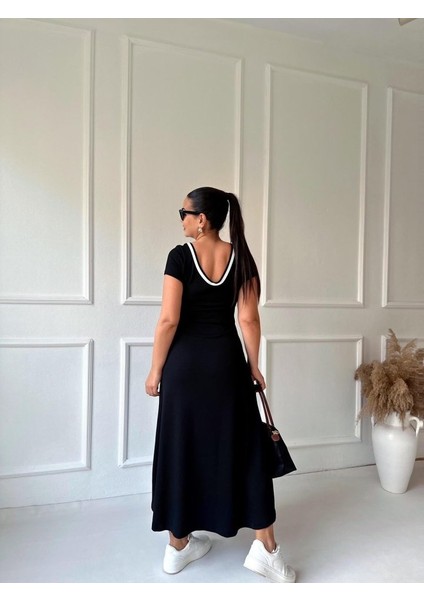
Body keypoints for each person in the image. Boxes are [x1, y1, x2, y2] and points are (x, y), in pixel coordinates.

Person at [145, 187, 295, 583]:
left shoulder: (179, 257)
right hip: (227, 368)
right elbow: (249, 319)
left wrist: (155, 370)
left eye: (184, 212)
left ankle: (178, 545)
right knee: (246, 450)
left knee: (182, 447)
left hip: (184, 371)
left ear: (202, 219)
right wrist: (253, 365)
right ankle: (266, 548)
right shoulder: (241, 257)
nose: (181, 219)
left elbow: (168, 321)